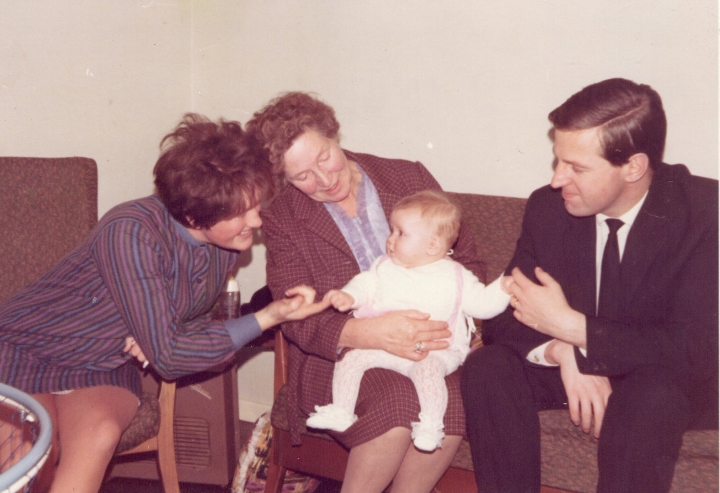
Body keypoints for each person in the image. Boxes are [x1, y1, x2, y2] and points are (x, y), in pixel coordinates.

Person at [0, 113, 329, 493]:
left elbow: (192, 324)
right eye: (241, 213)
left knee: (101, 434)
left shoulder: (222, 245)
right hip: (27, 346)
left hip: (102, 361)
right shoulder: (131, 231)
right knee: (22, 451)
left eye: (255, 205)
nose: (256, 220)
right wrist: (267, 316)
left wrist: (165, 333)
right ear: (193, 215)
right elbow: (171, 357)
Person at [461, 78, 718, 493]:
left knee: (649, 393)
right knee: (488, 367)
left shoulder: (705, 213)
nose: (558, 179)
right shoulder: (547, 208)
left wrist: (575, 329)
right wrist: (565, 351)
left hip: (664, 379)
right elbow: (504, 320)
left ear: (633, 166)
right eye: (558, 160)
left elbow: (696, 350)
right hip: (576, 360)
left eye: (577, 168)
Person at [246, 92, 486, 493]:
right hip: (342, 358)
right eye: (302, 175)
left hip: (433, 346)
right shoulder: (283, 216)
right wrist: (366, 334)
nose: (324, 179)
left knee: (456, 398)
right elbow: (293, 314)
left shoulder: (409, 178)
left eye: (324, 157)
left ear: (333, 134)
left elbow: (469, 264)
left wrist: (442, 320)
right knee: (395, 403)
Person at [309, 190, 511, 452]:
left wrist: (505, 287)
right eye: (392, 231)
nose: (390, 239)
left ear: (432, 246)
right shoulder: (384, 266)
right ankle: (341, 410)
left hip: (436, 352)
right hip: (385, 347)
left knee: (428, 373)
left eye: (400, 233)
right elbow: (365, 285)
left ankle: (431, 426)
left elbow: (484, 305)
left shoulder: (456, 277)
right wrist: (349, 296)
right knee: (351, 359)